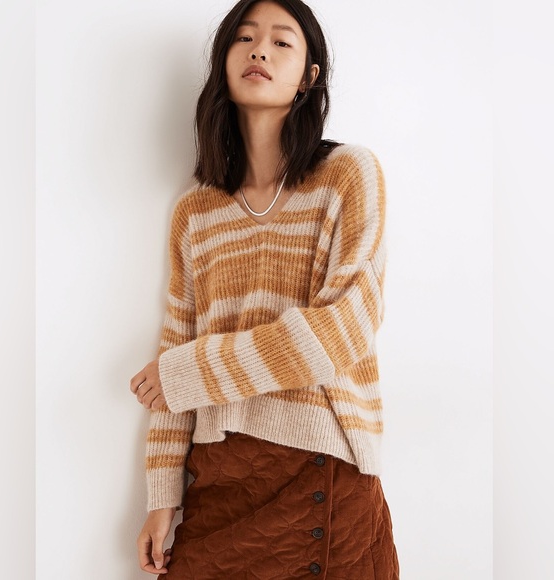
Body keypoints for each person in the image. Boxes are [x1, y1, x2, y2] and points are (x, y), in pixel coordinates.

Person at [129, 0, 399, 577]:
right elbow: (176, 345)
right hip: (217, 474)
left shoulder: (348, 175)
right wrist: (162, 496)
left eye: (282, 42)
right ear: (224, 62)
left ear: (308, 76)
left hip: (317, 467)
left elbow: (344, 331)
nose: (260, 51)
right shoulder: (196, 212)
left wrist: (190, 371)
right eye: (245, 38)